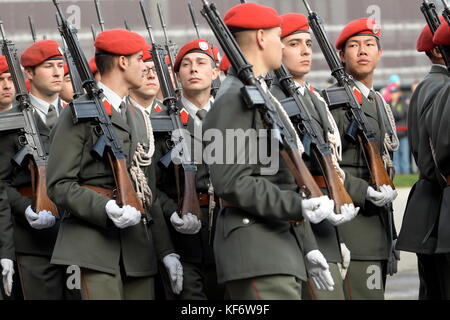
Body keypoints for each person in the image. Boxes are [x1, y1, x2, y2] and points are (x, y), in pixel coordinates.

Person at [203, 3, 335, 300]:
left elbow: (282, 177)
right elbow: (232, 182)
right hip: (256, 253)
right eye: (279, 36)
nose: (280, 43)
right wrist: (296, 207)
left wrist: (307, 243)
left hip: (276, 247)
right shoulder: (234, 99)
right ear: (261, 37)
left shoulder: (258, 96)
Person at [46, 29, 182, 300]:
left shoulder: (138, 116)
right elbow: (59, 185)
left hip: (137, 250)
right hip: (93, 248)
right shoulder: (80, 112)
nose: (145, 68)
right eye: (139, 60)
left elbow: (147, 193)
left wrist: (166, 251)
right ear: (122, 62)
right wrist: (105, 206)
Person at [270, 13, 359, 300]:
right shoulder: (268, 98)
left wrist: (340, 237)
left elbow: (331, 162)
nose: (306, 50)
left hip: (327, 226)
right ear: (275, 47)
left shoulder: (314, 98)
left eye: (308, 43)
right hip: (295, 229)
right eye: (294, 43)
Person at [329, 17, 399, 299]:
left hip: (378, 229)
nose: (362, 51)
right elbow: (331, 165)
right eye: (354, 45)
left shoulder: (378, 101)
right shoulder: (333, 102)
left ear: (379, 53)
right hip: (354, 230)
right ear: (342, 55)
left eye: (369, 44)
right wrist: (364, 191)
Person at [0, 40, 74, 300]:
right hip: (32, 242)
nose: (57, 73)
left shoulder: (78, 115)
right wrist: (25, 208)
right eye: (48, 67)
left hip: (78, 238)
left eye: (60, 65)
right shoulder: (10, 121)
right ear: (29, 73)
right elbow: (1, 185)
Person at [155, 38, 224, 300]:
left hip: (227, 235)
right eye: (186, 64)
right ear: (177, 75)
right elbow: (152, 186)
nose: (193, 69)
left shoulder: (229, 116)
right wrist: (174, 213)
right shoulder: (160, 122)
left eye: (201, 63)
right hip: (183, 238)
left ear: (215, 72)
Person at [400, 20, 450, 300]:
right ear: (439, 51)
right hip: (438, 201)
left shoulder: (431, 83)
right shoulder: (439, 85)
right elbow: (435, 150)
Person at [389, 85, 410, 174]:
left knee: (404, 157)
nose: (393, 95)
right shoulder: (388, 103)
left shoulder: (402, 103)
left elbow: (400, 114)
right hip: (394, 135)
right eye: (392, 93)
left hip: (403, 134)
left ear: (398, 93)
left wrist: (393, 108)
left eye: (395, 93)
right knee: (395, 158)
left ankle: (406, 174)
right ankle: (397, 174)